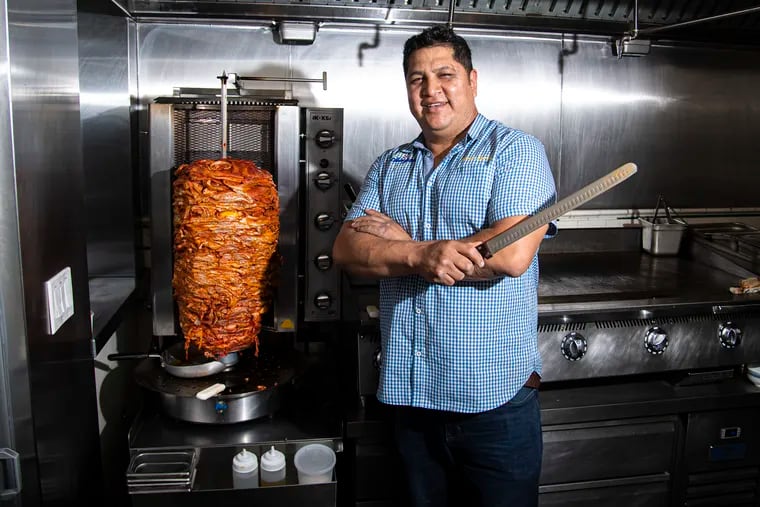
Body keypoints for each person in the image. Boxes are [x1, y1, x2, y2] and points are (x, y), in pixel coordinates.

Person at [332, 24, 557, 507]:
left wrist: (400, 247)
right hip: (411, 401)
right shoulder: (390, 165)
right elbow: (348, 249)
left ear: (472, 79)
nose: (431, 91)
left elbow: (511, 253)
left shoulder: (515, 152)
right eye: (417, 79)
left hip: (493, 404)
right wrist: (421, 254)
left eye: (445, 75)